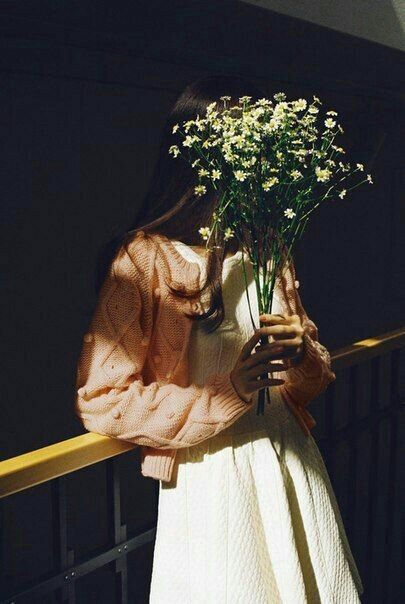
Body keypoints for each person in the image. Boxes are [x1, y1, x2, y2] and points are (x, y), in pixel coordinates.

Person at [74, 74, 364, 602]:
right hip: (212, 482)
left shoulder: (268, 247)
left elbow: (309, 383)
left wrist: (301, 353)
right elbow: (102, 399)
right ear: (204, 156)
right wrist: (228, 391)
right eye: (249, 148)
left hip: (292, 464)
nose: (261, 164)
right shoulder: (144, 259)